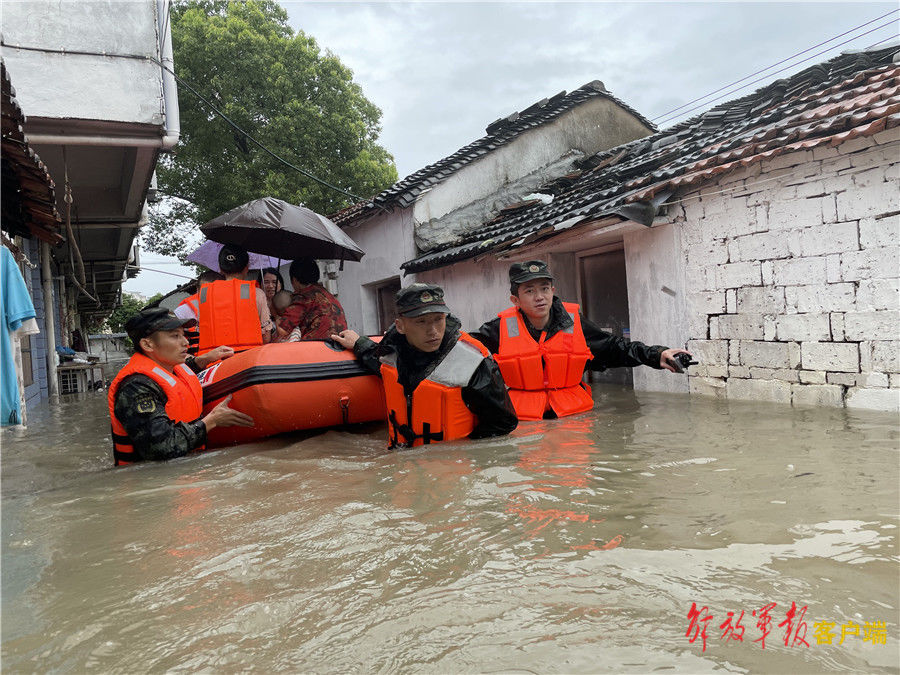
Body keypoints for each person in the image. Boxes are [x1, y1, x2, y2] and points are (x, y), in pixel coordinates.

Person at [470, 260, 692, 421]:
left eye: (544, 289)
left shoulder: (574, 323)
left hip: (572, 419)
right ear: (515, 299)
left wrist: (656, 355)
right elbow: (463, 351)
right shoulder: (499, 329)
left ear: (553, 291)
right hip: (524, 422)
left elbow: (614, 348)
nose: (539, 297)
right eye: (530, 291)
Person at [331, 283, 518, 448]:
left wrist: (460, 455)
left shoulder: (474, 363)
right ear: (400, 326)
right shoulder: (392, 353)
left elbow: (503, 423)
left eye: (438, 319)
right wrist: (358, 343)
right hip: (403, 461)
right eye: (421, 322)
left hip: (452, 470)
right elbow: (379, 363)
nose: (433, 331)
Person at [108, 307, 254, 466]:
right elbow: (161, 448)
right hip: (156, 482)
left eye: (183, 335)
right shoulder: (136, 388)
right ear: (148, 344)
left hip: (189, 468)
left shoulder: (171, 366)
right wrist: (211, 421)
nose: (186, 342)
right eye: (175, 336)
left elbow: (180, 375)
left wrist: (204, 359)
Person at [196, 244, 273, 354]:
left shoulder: (204, 294)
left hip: (213, 363)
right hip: (248, 361)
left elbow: (201, 332)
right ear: (247, 268)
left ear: (220, 269)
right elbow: (266, 337)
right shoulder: (256, 293)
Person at [279, 258, 348, 341]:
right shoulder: (327, 294)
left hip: (317, 347)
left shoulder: (304, 296)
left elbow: (282, 330)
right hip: (339, 346)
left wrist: (275, 312)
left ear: (294, 279)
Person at [175, 270, 224, 355]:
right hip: (194, 361)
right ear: (198, 290)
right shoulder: (183, 311)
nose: (210, 294)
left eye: (215, 290)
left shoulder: (232, 307)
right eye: (206, 291)